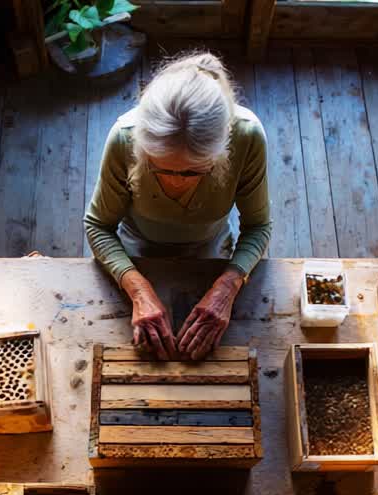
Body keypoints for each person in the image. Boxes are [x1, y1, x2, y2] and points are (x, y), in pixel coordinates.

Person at [84, 51, 271, 360]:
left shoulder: (247, 136)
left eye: (194, 171)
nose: (177, 183)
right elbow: (98, 226)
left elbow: (258, 226)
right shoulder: (124, 137)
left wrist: (227, 288)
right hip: (136, 251)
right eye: (161, 169)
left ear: (222, 152)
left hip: (210, 251)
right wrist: (139, 290)